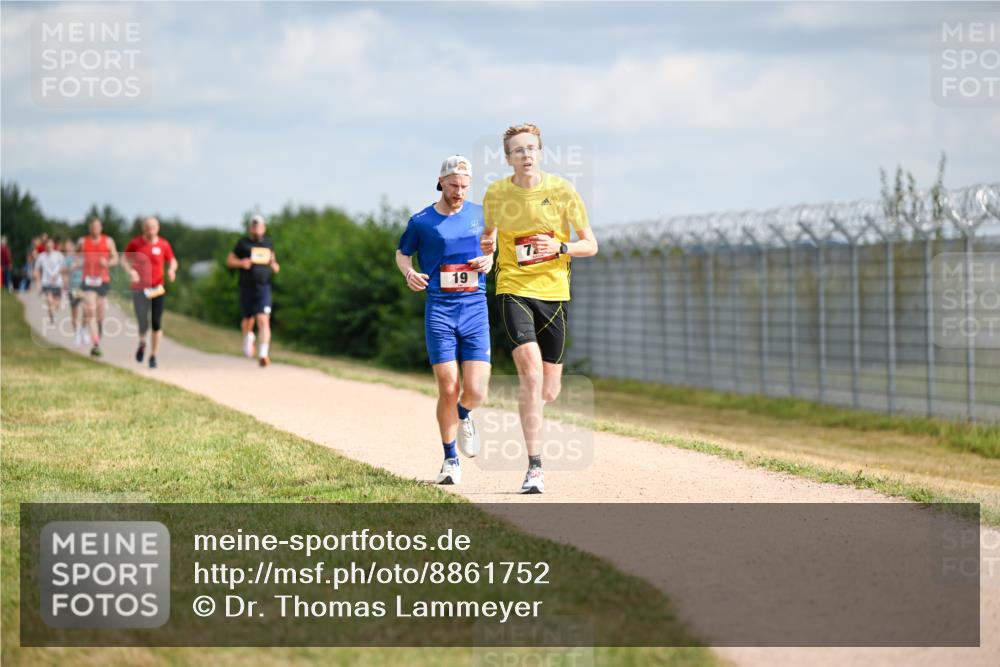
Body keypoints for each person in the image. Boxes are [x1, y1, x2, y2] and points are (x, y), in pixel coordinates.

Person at [481, 123, 599, 494]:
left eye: (531, 148)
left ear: (540, 153)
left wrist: (560, 249)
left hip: (554, 292)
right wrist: (484, 249)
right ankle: (535, 466)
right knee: (529, 374)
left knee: (549, 389)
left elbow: (590, 244)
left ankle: (540, 408)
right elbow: (487, 237)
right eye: (518, 150)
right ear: (508, 158)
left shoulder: (563, 191)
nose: (526, 155)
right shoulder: (497, 194)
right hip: (513, 287)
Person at [396, 155, 493, 485]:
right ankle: (450, 459)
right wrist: (409, 272)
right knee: (448, 387)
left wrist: (489, 259)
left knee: (476, 391)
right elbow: (402, 252)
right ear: (441, 182)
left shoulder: (482, 214)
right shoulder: (422, 221)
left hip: (475, 308)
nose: (460, 192)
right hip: (439, 309)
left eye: (465, 186)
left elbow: (494, 247)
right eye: (454, 185)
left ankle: (464, 414)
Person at [122, 217, 177, 369]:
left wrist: (172, 270)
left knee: (156, 322)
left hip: (157, 288)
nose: (150, 229)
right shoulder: (136, 243)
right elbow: (124, 259)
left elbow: (172, 260)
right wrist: (131, 271)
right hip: (139, 288)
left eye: (153, 226)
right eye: (147, 226)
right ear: (143, 228)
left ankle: (153, 355)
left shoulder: (163, 244)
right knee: (142, 320)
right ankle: (142, 342)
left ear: (158, 228)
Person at [225, 214, 280, 367]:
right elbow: (229, 261)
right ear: (250, 228)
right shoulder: (243, 244)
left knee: (263, 319)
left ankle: (263, 353)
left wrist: (275, 266)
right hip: (246, 286)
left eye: (259, 226)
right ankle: (248, 337)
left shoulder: (269, 243)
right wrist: (241, 263)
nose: (257, 228)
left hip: (264, 287)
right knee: (248, 320)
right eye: (254, 226)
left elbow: (274, 262)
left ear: (264, 227)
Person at [78, 217, 119, 357]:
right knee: (90, 310)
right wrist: (77, 263)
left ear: (101, 228)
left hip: (102, 281)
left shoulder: (108, 241)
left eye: (97, 226)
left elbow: (115, 258)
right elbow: (77, 255)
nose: (95, 229)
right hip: (87, 280)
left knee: (101, 316)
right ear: (89, 228)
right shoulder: (83, 241)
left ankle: (97, 340)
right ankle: (95, 343)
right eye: (92, 226)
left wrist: (107, 262)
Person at [33, 237, 65, 324]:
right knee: (49, 301)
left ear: (53, 245)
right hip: (46, 283)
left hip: (57, 283)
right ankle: (51, 318)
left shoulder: (59, 255)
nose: (49, 246)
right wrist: (37, 282)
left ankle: (53, 312)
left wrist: (62, 279)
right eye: (47, 245)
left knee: (56, 304)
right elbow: (36, 269)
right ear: (45, 246)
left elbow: (64, 268)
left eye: (50, 244)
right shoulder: (41, 257)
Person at [62, 239, 86, 346]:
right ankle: (77, 334)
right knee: (74, 312)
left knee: (87, 309)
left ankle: (83, 330)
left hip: (84, 287)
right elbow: (62, 271)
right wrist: (70, 269)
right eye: (81, 249)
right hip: (73, 287)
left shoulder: (86, 259)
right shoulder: (69, 259)